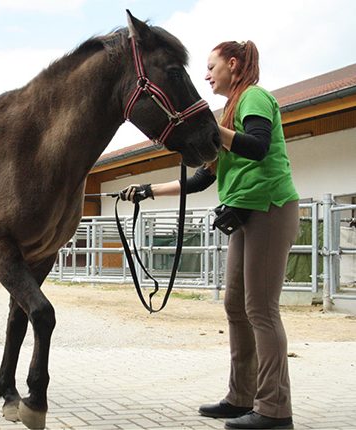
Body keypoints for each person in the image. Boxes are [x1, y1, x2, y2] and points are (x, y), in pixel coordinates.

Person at [121, 40, 299, 430]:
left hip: (270, 209)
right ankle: (241, 397)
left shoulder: (253, 97)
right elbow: (203, 177)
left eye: (211, 67)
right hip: (247, 216)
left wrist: (208, 128)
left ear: (232, 65)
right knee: (236, 307)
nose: (206, 75)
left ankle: (274, 409)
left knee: (261, 312)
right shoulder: (232, 108)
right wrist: (147, 191)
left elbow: (257, 146)